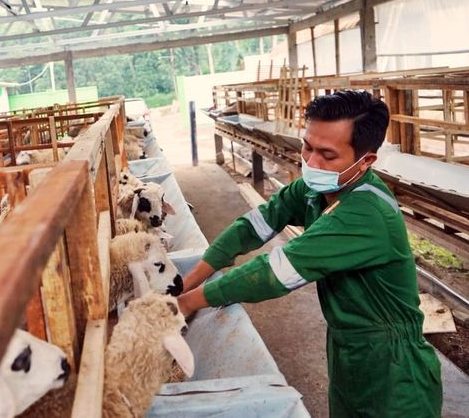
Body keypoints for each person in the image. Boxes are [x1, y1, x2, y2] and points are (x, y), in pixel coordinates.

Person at [178, 90, 442, 417]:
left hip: (393, 365)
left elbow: (276, 272)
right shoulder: (319, 189)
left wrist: (186, 304)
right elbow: (256, 224)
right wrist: (188, 281)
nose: (311, 162)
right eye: (307, 147)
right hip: (349, 352)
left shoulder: (365, 212)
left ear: (366, 161)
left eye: (327, 156)